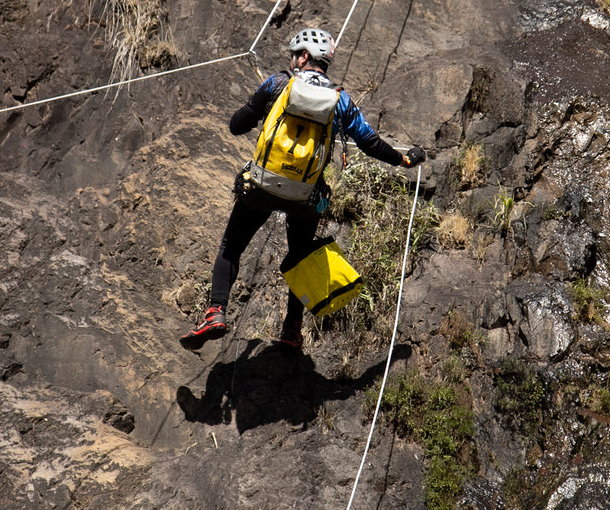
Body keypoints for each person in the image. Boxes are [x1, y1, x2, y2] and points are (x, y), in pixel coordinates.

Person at [180, 27, 426, 352]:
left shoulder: (277, 84)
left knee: (231, 246)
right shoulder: (341, 101)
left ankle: (215, 312)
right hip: (307, 196)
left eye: (295, 55)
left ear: (305, 57)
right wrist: (404, 160)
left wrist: (260, 108)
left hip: (262, 185)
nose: (293, 60)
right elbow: (370, 143)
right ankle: (292, 331)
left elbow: (236, 125)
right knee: (300, 257)